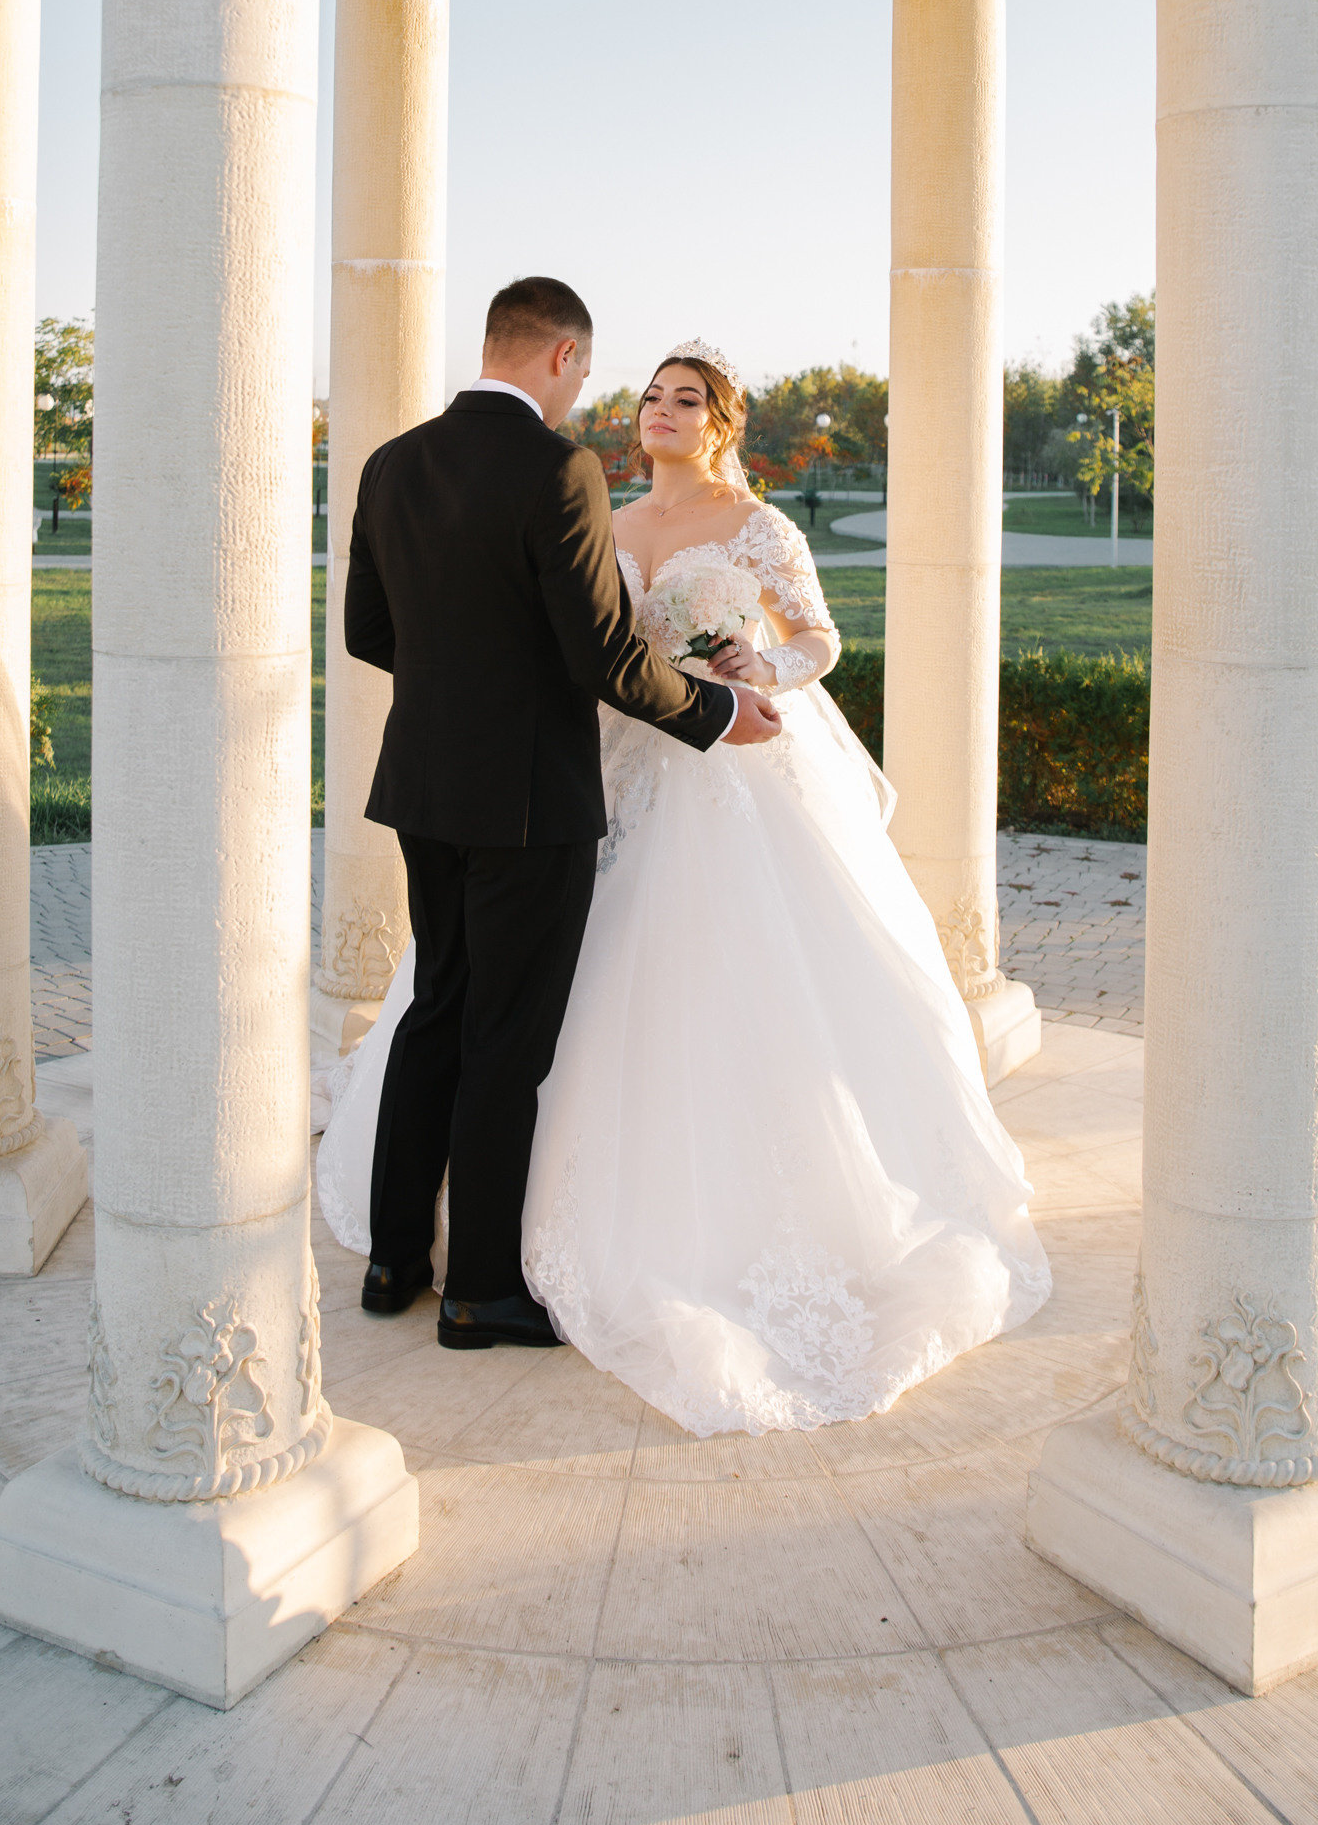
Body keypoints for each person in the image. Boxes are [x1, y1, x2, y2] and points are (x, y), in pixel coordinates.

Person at [320, 329, 1052, 1436]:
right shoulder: (599, 514)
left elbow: (819, 638)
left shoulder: (756, 526)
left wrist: (768, 668)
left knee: (643, 991)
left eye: (686, 398)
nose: (659, 409)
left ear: (721, 424)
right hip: (600, 776)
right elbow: (587, 650)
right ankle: (479, 1257)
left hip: (729, 780)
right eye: (653, 394)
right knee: (512, 1010)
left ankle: (515, 1246)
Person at [339, 277, 783, 1356]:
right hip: (530, 800)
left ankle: (394, 1257)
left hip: (422, 787)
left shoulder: (390, 462)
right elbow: (599, 656)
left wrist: (459, 683)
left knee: (434, 1009)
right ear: (561, 358)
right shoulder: (559, 469)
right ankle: (479, 1289)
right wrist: (717, 712)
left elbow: (365, 630)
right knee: (506, 1039)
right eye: (586, 372)